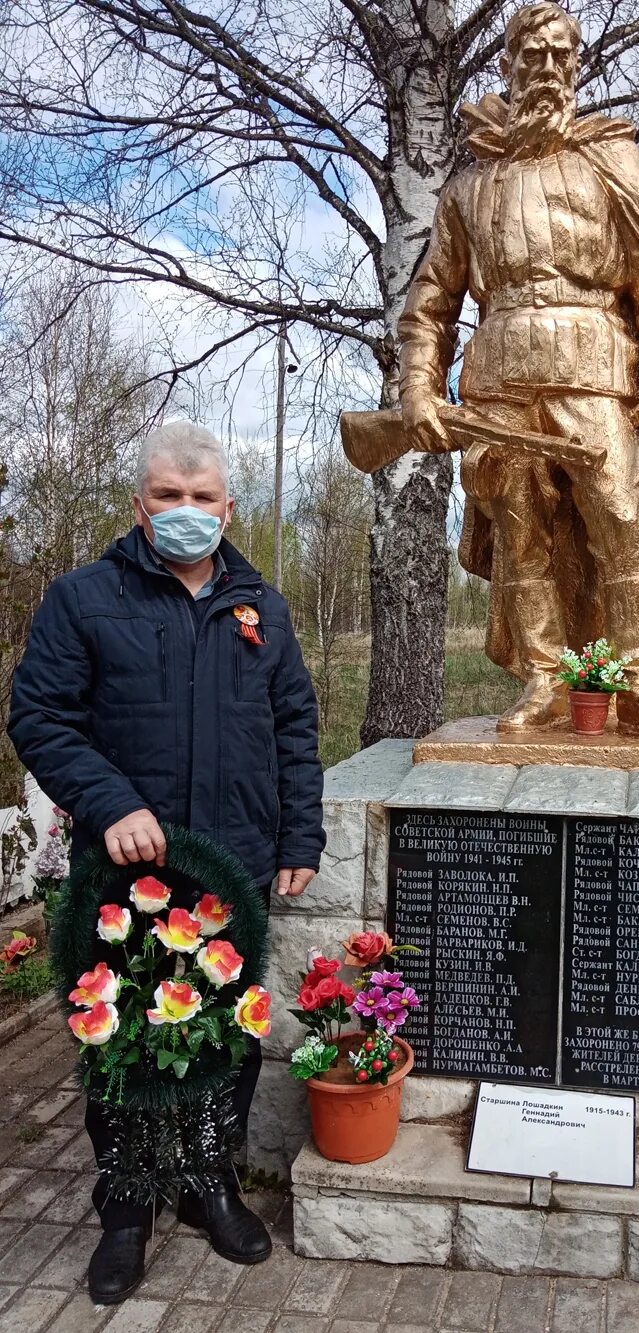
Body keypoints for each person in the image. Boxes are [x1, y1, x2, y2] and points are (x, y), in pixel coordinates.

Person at [7, 420, 326, 1304]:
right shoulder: (84, 598)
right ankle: (125, 1206)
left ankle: (208, 1184)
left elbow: (294, 726)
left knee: (225, 1038)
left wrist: (300, 834)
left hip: (235, 870)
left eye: (202, 498)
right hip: (126, 877)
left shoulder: (262, 603)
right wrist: (112, 804)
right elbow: (39, 717)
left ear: (229, 506)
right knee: (122, 1038)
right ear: (139, 503)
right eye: (167, 496)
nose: (185, 512)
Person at [397, 1, 639, 740]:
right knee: (519, 530)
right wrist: (416, 386)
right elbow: (431, 300)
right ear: (506, 64)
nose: (546, 69)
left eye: (561, 56)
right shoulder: (470, 186)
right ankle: (545, 679)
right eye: (530, 55)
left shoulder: (613, 161)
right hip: (500, 378)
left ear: (577, 66)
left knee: (620, 523)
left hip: (597, 370)